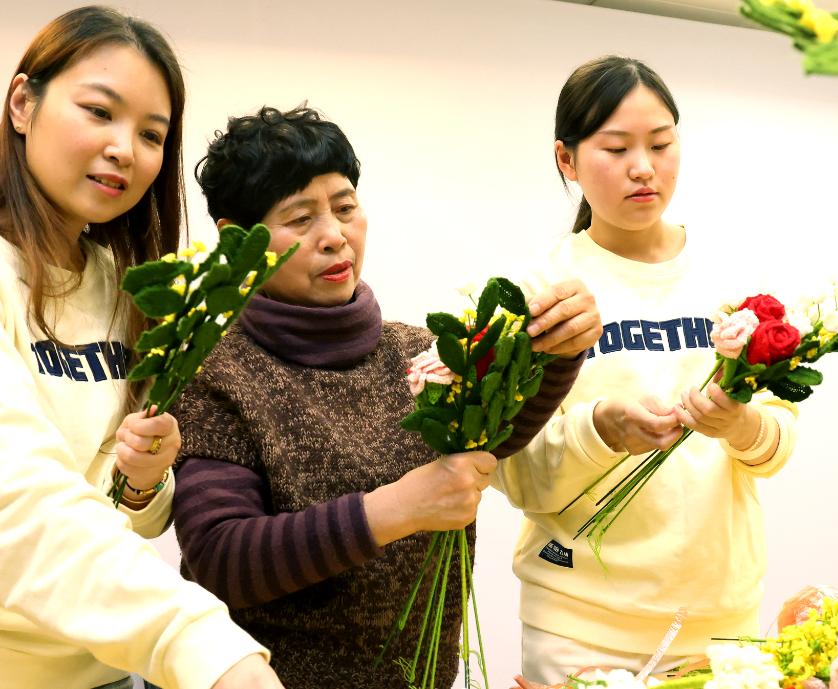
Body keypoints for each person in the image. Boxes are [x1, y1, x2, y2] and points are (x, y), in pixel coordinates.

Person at [167, 105, 602, 689]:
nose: (334, 236)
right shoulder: (214, 371)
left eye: (345, 208)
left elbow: (491, 439)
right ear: (236, 240)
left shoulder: (418, 349)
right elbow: (221, 557)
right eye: (300, 218)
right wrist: (396, 509)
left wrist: (560, 349)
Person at [0, 7, 284, 689]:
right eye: (100, 112)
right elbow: (22, 504)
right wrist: (205, 645)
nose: (125, 149)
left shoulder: (125, 287)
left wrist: (144, 477)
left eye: (152, 134)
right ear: (22, 104)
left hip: (105, 669)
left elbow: (133, 517)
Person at [493, 56, 800, 685]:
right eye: (617, 148)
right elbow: (510, 468)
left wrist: (740, 426)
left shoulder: (734, 279)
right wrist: (600, 430)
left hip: (723, 622)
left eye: (661, 145)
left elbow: (778, 443)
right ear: (566, 160)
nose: (643, 167)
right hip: (578, 629)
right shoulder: (540, 292)